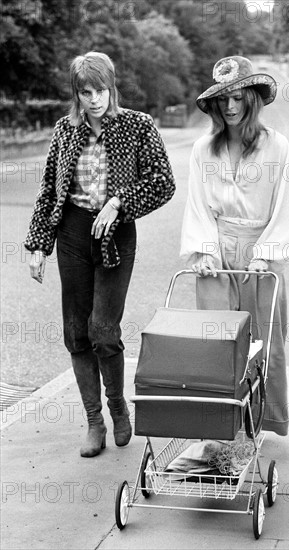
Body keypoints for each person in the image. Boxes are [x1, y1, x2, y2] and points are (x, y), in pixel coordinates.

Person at [25, 51, 175, 457]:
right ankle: (94, 421)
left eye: (101, 90)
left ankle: (117, 406)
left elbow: (163, 182)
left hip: (115, 234)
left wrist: (119, 203)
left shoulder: (137, 126)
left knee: (103, 329)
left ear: (112, 87)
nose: (95, 99)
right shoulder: (65, 129)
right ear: (76, 93)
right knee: (76, 332)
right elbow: (48, 191)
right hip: (73, 233)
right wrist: (39, 245)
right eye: (86, 92)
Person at [180, 56, 289, 436]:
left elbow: (286, 205)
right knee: (216, 342)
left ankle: (263, 421)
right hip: (216, 249)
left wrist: (265, 255)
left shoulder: (277, 147)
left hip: (262, 250)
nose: (230, 107)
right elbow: (197, 205)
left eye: (238, 97)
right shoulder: (203, 150)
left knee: (265, 342)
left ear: (252, 98)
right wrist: (204, 252)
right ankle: (220, 426)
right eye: (223, 99)